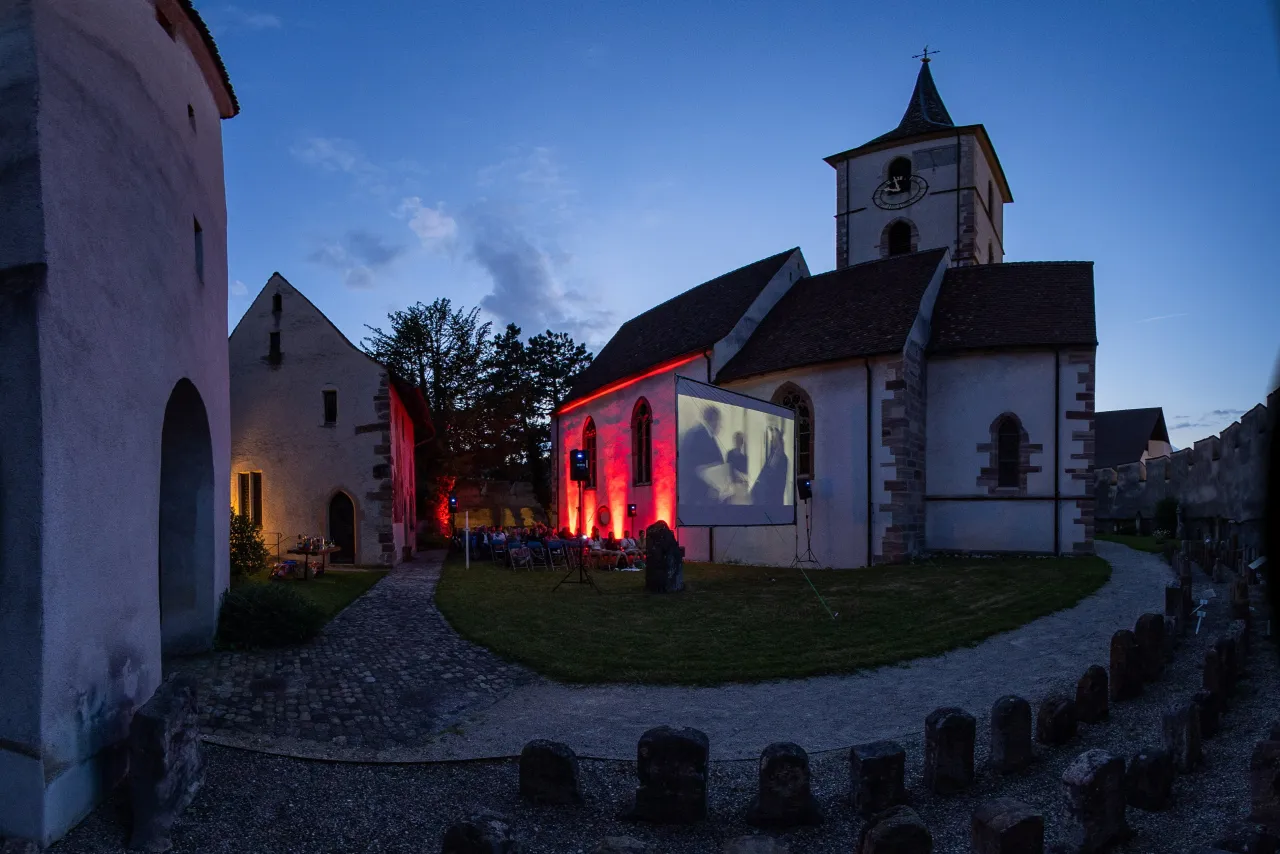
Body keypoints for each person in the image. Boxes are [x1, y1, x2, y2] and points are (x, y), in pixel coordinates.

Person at [679, 405, 727, 504]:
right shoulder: (696, 434)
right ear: (714, 421)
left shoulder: (708, 435)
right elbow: (691, 466)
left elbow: (718, 461)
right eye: (719, 422)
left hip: (704, 494)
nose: (720, 426)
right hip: (697, 495)